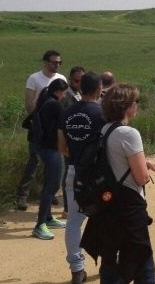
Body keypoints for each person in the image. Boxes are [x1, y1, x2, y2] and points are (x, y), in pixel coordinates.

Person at [81, 84, 155, 284]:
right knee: (141, 257)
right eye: (136, 101)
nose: (137, 105)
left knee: (111, 259)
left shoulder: (104, 130)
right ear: (126, 106)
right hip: (128, 208)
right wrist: (144, 169)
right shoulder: (129, 134)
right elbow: (140, 178)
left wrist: (144, 161)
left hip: (107, 205)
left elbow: (112, 160)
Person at [58, 71, 104, 284]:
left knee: (74, 223)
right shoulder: (102, 113)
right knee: (106, 219)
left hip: (74, 173)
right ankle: (109, 263)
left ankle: (77, 270)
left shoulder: (67, 113)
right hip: (99, 175)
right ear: (98, 89)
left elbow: (62, 148)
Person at [16, 50, 68, 211]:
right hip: (38, 128)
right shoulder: (34, 78)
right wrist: (39, 122)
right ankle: (22, 196)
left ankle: (49, 193)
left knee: (53, 165)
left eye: (59, 62)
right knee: (33, 162)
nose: (57, 65)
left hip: (54, 131)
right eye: (54, 62)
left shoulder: (61, 79)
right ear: (45, 62)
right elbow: (29, 103)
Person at [31, 78, 68, 240]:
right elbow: (65, 124)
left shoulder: (45, 101)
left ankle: (48, 218)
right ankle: (39, 225)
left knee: (49, 183)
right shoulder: (54, 105)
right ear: (59, 91)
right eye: (64, 92)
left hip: (43, 147)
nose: (65, 95)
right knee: (52, 186)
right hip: (51, 149)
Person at [60, 65, 86, 220]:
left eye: (82, 81)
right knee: (69, 174)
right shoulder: (66, 98)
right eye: (77, 81)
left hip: (78, 140)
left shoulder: (78, 93)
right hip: (69, 140)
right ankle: (67, 208)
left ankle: (74, 204)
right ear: (70, 80)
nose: (79, 83)